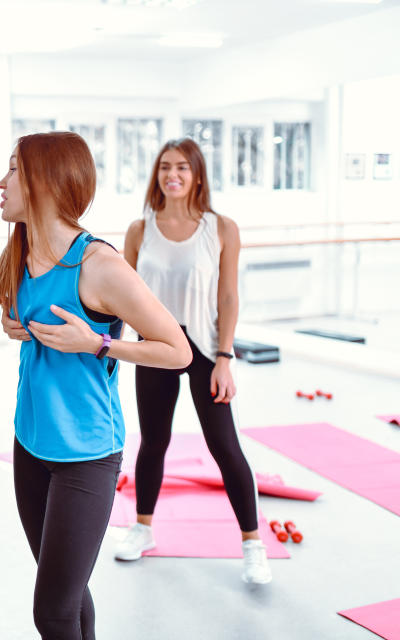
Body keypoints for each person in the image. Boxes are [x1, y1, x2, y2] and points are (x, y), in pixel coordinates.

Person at [0, 131, 192, 640]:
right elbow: (27, 315)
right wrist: (14, 326)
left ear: (44, 180)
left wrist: (98, 345)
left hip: (85, 454)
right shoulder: (21, 249)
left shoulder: (99, 265)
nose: (2, 183)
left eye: (13, 170)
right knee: (69, 593)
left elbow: (177, 351)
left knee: (52, 611)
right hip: (30, 441)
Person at [113, 137, 272, 585]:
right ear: (156, 174)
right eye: (165, 167)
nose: (173, 175)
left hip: (204, 349)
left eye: (182, 167)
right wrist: (112, 347)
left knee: (224, 445)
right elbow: (124, 296)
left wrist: (226, 357)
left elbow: (227, 296)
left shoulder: (221, 228)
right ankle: (142, 528)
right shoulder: (138, 230)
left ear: (197, 174)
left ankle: (253, 543)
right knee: (154, 440)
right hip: (156, 348)